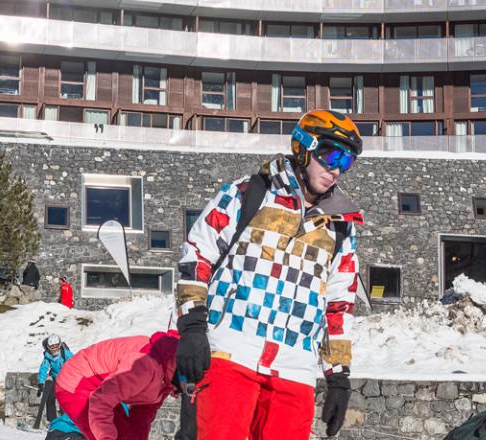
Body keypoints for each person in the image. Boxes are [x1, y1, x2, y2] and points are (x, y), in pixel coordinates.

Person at [172, 109, 365, 439]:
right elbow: (197, 258)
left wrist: (337, 376)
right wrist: (192, 328)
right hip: (232, 353)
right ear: (304, 146)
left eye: (346, 162)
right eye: (332, 155)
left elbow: (339, 304)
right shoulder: (246, 194)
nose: (336, 169)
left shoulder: (341, 227)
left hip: (295, 367)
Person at [52, 332, 180, 440]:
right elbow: (101, 402)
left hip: (103, 390)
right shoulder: (144, 365)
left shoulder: (168, 378)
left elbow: (143, 411)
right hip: (78, 383)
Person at [36, 335, 82, 440]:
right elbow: (43, 368)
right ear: (48, 347)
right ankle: (52, 422)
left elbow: (75, 362)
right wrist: (41, 383)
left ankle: (65, 423)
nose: (55, 349)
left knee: (64, 402)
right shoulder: (47, 355)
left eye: (57, 346)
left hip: (66, 379)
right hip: (55, 378)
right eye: (52, 347)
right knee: (49, 398)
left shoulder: (65, 353)